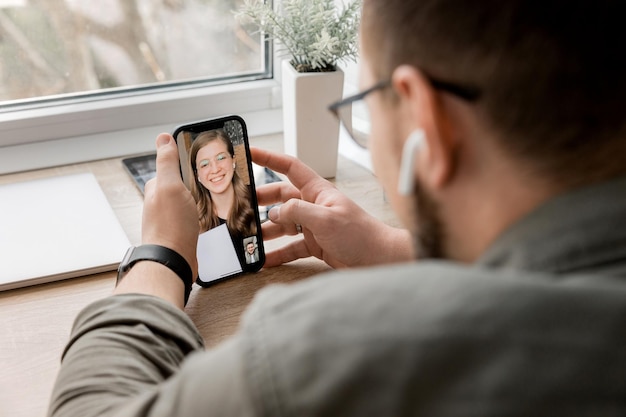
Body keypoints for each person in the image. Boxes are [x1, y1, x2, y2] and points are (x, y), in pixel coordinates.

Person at [49, 1, 626, 416]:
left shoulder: (337, 347)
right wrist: (400, 251)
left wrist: (161, 259)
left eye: (368, 102)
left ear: (428, 124)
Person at [188, 129, 257, 266]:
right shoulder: (193, 222)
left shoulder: (255, 202)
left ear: (233, 160)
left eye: (220, 158)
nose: (215, 169)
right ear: (198, 176)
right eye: (205, 164)